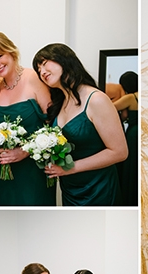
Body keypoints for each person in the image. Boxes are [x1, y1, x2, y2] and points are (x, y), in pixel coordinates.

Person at [33, 44, 127, 206]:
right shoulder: (60, 102)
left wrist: (70, 168)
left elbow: (119, 152)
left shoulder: (96, 99)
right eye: (38, 69)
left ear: (64, 59)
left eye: (44, 63)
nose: (42, 71)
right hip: (70, 188)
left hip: (98, 188)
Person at [0, 32, 56, 206]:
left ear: (11, 51)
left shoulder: (34, 78)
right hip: (5, 172)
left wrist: (25, 151)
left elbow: (53, 126)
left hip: (33, 171)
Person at [111, 71, 138, 206]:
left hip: (134, 134)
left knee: (130, 168)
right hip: (142, 134)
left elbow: (109, 108)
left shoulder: (131, 98)